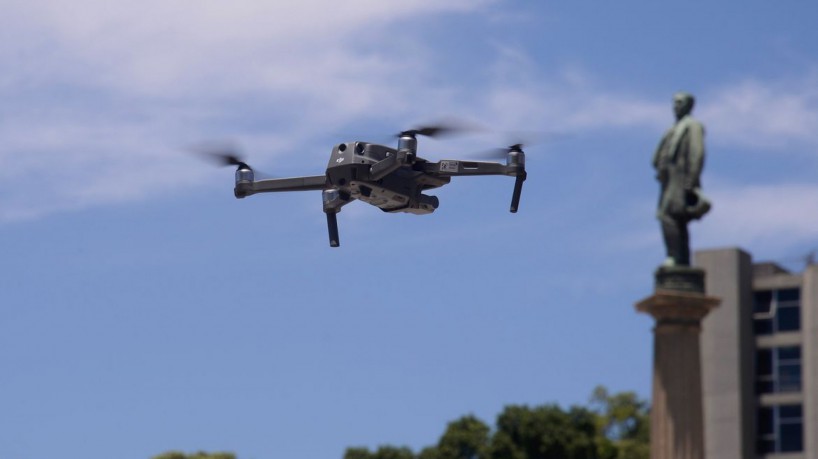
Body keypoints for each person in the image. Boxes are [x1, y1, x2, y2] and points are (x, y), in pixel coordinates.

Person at [652, 92, 710, 267]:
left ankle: (675, 257)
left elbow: (697, 153)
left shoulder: (693, 126)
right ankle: (680, 259)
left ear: (689, 105)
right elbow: (657, 156)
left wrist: (691, 180)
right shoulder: (672, 129)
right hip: (668, 180)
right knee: (671, 217)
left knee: (670, 216)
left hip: (681, 179)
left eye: (679, 102)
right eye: (674, 103)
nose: (675, 106)